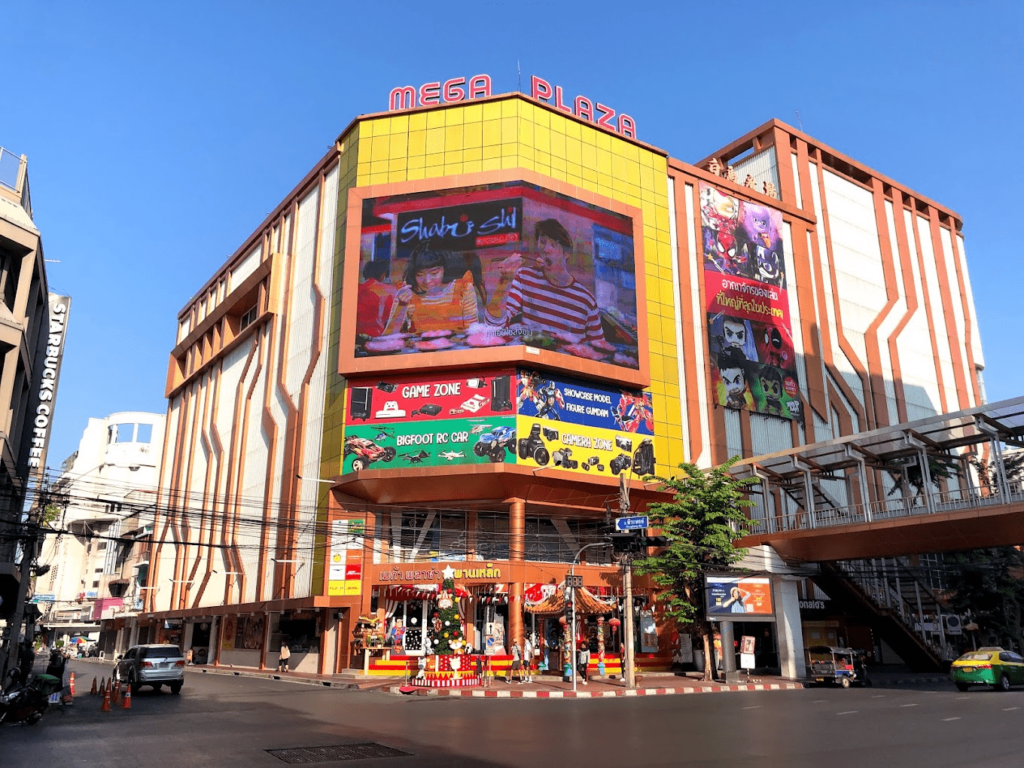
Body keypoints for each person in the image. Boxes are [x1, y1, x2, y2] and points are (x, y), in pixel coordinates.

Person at [496, 219, 613, 349]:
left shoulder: (586, 300)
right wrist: (503, 282)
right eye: (543, 242)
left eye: (554, 244)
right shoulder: (524, 277)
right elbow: (495, 326)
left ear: (566, 253)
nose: (546, 249)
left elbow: (600, 346)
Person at [384, 244, 479, 335]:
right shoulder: (406, 293)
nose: (428, 281)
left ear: (445, 269)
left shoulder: (463, 288)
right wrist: (401, 305)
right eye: (420, 275)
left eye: (434, 273)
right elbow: (389, 336)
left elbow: (472, 331)